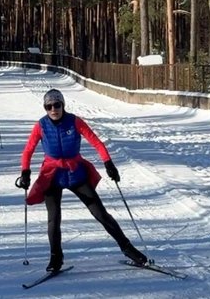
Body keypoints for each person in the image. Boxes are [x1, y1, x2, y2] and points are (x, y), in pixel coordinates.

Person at [17, 89, 148, 272]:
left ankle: (129, 249)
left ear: (63, 105)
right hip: (52, 175)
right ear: (45, 108)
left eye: (57, 104)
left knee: (100, 213)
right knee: (53, 219)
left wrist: (108, 163)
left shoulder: (74, 121)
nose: (53, 109)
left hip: (75, 172)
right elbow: (28, 150)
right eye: (49, 106)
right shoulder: (41, 125)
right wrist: (25, 172)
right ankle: (56, 258)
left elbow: (95, 141)